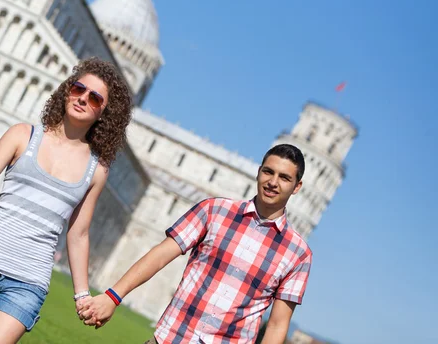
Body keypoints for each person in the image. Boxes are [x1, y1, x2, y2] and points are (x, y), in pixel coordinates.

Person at [0, 57, 133, 344]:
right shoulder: (22, 135)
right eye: (78, 88)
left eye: (94, 97)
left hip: (27, 283)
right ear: (67, 90)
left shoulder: (96, 170)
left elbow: (78, 233)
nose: (82, 98)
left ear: (104, 112)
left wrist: (82, 294)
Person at [79, 144, 313, 344]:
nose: (273, 182)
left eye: (284, 178)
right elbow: (161, 255)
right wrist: (113, 296)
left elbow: (276, 326)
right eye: (268, 172)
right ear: (258, 173)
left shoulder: (298, 254)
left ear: (297, 186)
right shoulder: (214, 210)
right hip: (171, 337)